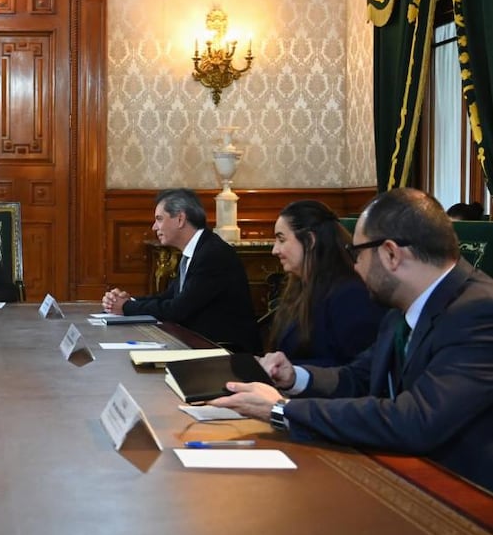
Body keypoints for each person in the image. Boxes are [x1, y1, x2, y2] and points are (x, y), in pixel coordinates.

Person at [213, 188, 493, 492]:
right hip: (401, 474)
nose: (354, 266)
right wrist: (295, 378)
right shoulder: (402, 307)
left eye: (356, 253)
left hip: (463, 499)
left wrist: (282, 410)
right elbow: (358, 376)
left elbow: (417, 420)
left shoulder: (479, 311)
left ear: (390, 254)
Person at [101, 188, 261, 353]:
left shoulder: (212, 254)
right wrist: (131, 301)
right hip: (200, 345)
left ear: (180, 219)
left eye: (159, 219)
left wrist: (126, 307)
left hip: (227, 353)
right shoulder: (197, 250)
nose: (154, 227)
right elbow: (169, 296)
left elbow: (177, 309)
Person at [267, 200, 386, 367]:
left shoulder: (351, 295)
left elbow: (358, 370)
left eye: (281, 239)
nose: (275, 250)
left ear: (310, 240)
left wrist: (294, 374)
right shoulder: (299, 286)